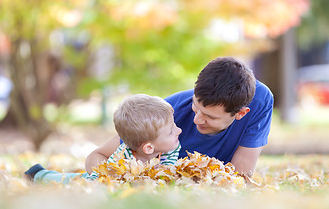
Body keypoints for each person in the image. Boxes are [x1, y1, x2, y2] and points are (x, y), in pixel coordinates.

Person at [85, 57, 274, 177]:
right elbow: (97, 156)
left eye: (209, 116)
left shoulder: (259, 102)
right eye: (195, 106)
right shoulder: (165, 114)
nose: (196, 120)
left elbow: (239, 177)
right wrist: (119, 178)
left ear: (241, 113)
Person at [25, 94, 182, 184]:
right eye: (170, 131)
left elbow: (167, 171)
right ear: (148, 148)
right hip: (97, 178)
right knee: (72, 180)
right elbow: (102, 177)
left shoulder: (172, 147)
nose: (179, 130)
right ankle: (39, 174)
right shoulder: (123, 156)